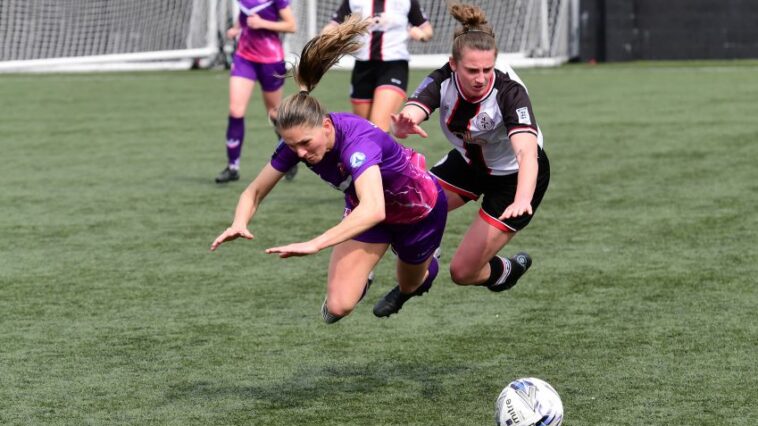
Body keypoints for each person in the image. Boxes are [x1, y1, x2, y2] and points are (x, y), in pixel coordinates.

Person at [210, 15, 448, 323]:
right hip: (368, 211)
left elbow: (374, 208)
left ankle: (425, 265)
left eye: (305, 144)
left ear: (326, 126)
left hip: (417, 211)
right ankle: (368, 271)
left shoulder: (358, 143)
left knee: (410, 283)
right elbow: (254, 191)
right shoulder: (298, 143)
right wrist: (239, 221)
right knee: (337, 308)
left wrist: (315, 243)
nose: (301, 153)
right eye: (293, 146)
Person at [390, 2, 550, 293]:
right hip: (468, 162)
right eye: (472, 70)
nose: (480, 78)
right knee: (403, 206)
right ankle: (418, 261)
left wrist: (523, 198)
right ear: (453, 65)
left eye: (487, 69)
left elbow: (527, 152)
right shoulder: (442, 79)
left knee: (463, 272)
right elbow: (415, 107)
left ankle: (506, 271)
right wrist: (404, 123)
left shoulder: (509, 92)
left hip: (515, 178)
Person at [215, 0, 298, 184]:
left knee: (275, 113)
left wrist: (263, 23)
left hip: (271, 60)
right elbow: (244, 16)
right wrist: (236, 28)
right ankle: (232, 167)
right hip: (244, 58)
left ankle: (290, 153)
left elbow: (291, 26)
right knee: (236, 110)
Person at [323, 0, 433, 132]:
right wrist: (328, 35)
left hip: (393, 66)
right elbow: (332, 26)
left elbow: (427, 30)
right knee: (361, 130)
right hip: (362, 67)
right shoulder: (353, 2)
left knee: (378, 128)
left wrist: (422, 35)